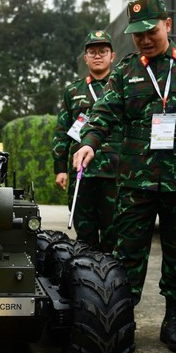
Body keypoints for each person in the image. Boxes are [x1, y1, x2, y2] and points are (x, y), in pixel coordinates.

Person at [72, 0, 176, 353]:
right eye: (137, 34)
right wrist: (90, 143)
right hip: (136, 179)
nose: (144, 39)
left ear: (168, 26)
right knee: (126, 254)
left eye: (151, 31)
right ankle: (121, 319)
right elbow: (103, 114)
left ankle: (173, 322)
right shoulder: (126, 71)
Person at [52, 30, 120, 252]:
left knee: (114, 232)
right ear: (85, 58)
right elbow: (63, 131)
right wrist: (60, 168)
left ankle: (111, 282)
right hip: (83, 173)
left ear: (113, 55)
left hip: (115, 173)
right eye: (92, 52)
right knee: (85, 234)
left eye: (103, 51)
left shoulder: (123, 87)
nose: (98, 56)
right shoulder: (73, 91)